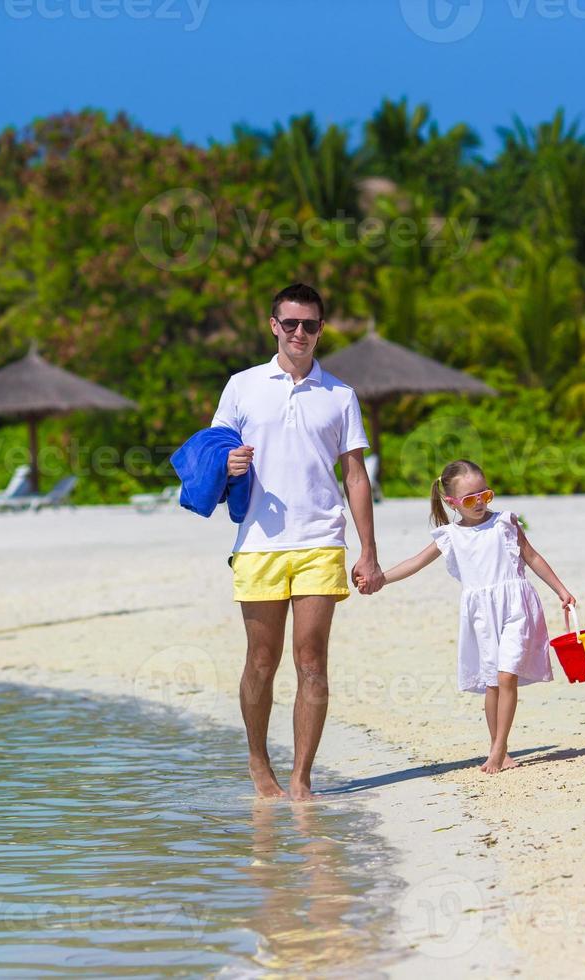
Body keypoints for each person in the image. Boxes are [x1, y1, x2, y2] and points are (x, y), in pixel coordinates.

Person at [212, 282, 384, 801]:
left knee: (311, 660)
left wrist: (368, 551)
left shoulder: (341, 395)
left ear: (321, 330)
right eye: (290, 324)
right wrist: (228, 462)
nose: (300, 333)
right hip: (259, 543)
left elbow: (356, 477)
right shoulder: (241, 386)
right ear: (273, 326)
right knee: (261, 661)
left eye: (310, 325)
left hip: (320, 541)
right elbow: (211, 452)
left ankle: (302, 776)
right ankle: (258, 761)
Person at [375, 459, 573, 774]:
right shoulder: (450, 535)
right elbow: (416, 561)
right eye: (470, 499)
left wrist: (560, 590)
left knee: (508, 675)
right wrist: (382, 578)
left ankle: (498, 749)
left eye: (485, 494)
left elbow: (531, 556)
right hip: (482, 616)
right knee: (493, 683)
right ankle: (499, 748)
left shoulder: (505, 522)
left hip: (516, 607)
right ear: (452, 502)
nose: (479, 502)